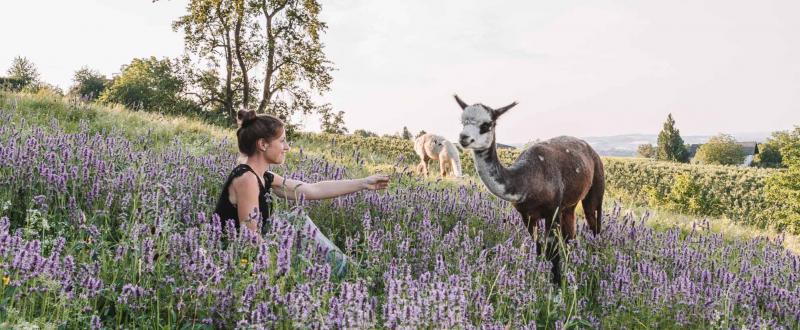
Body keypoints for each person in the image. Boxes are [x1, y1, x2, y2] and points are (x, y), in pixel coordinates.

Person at [214, 110, 389, 277]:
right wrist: (281, 266)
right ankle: (350, 272)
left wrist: (363, 183)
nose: (287, 147)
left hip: (253, 254)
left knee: (296, 219)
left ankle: (348, 270)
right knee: (293, 223)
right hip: (232, 260)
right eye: (282, 141)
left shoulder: (264, 177)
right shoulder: (247, 179)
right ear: (262, 144)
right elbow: (250, 238)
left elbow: (311, 190)